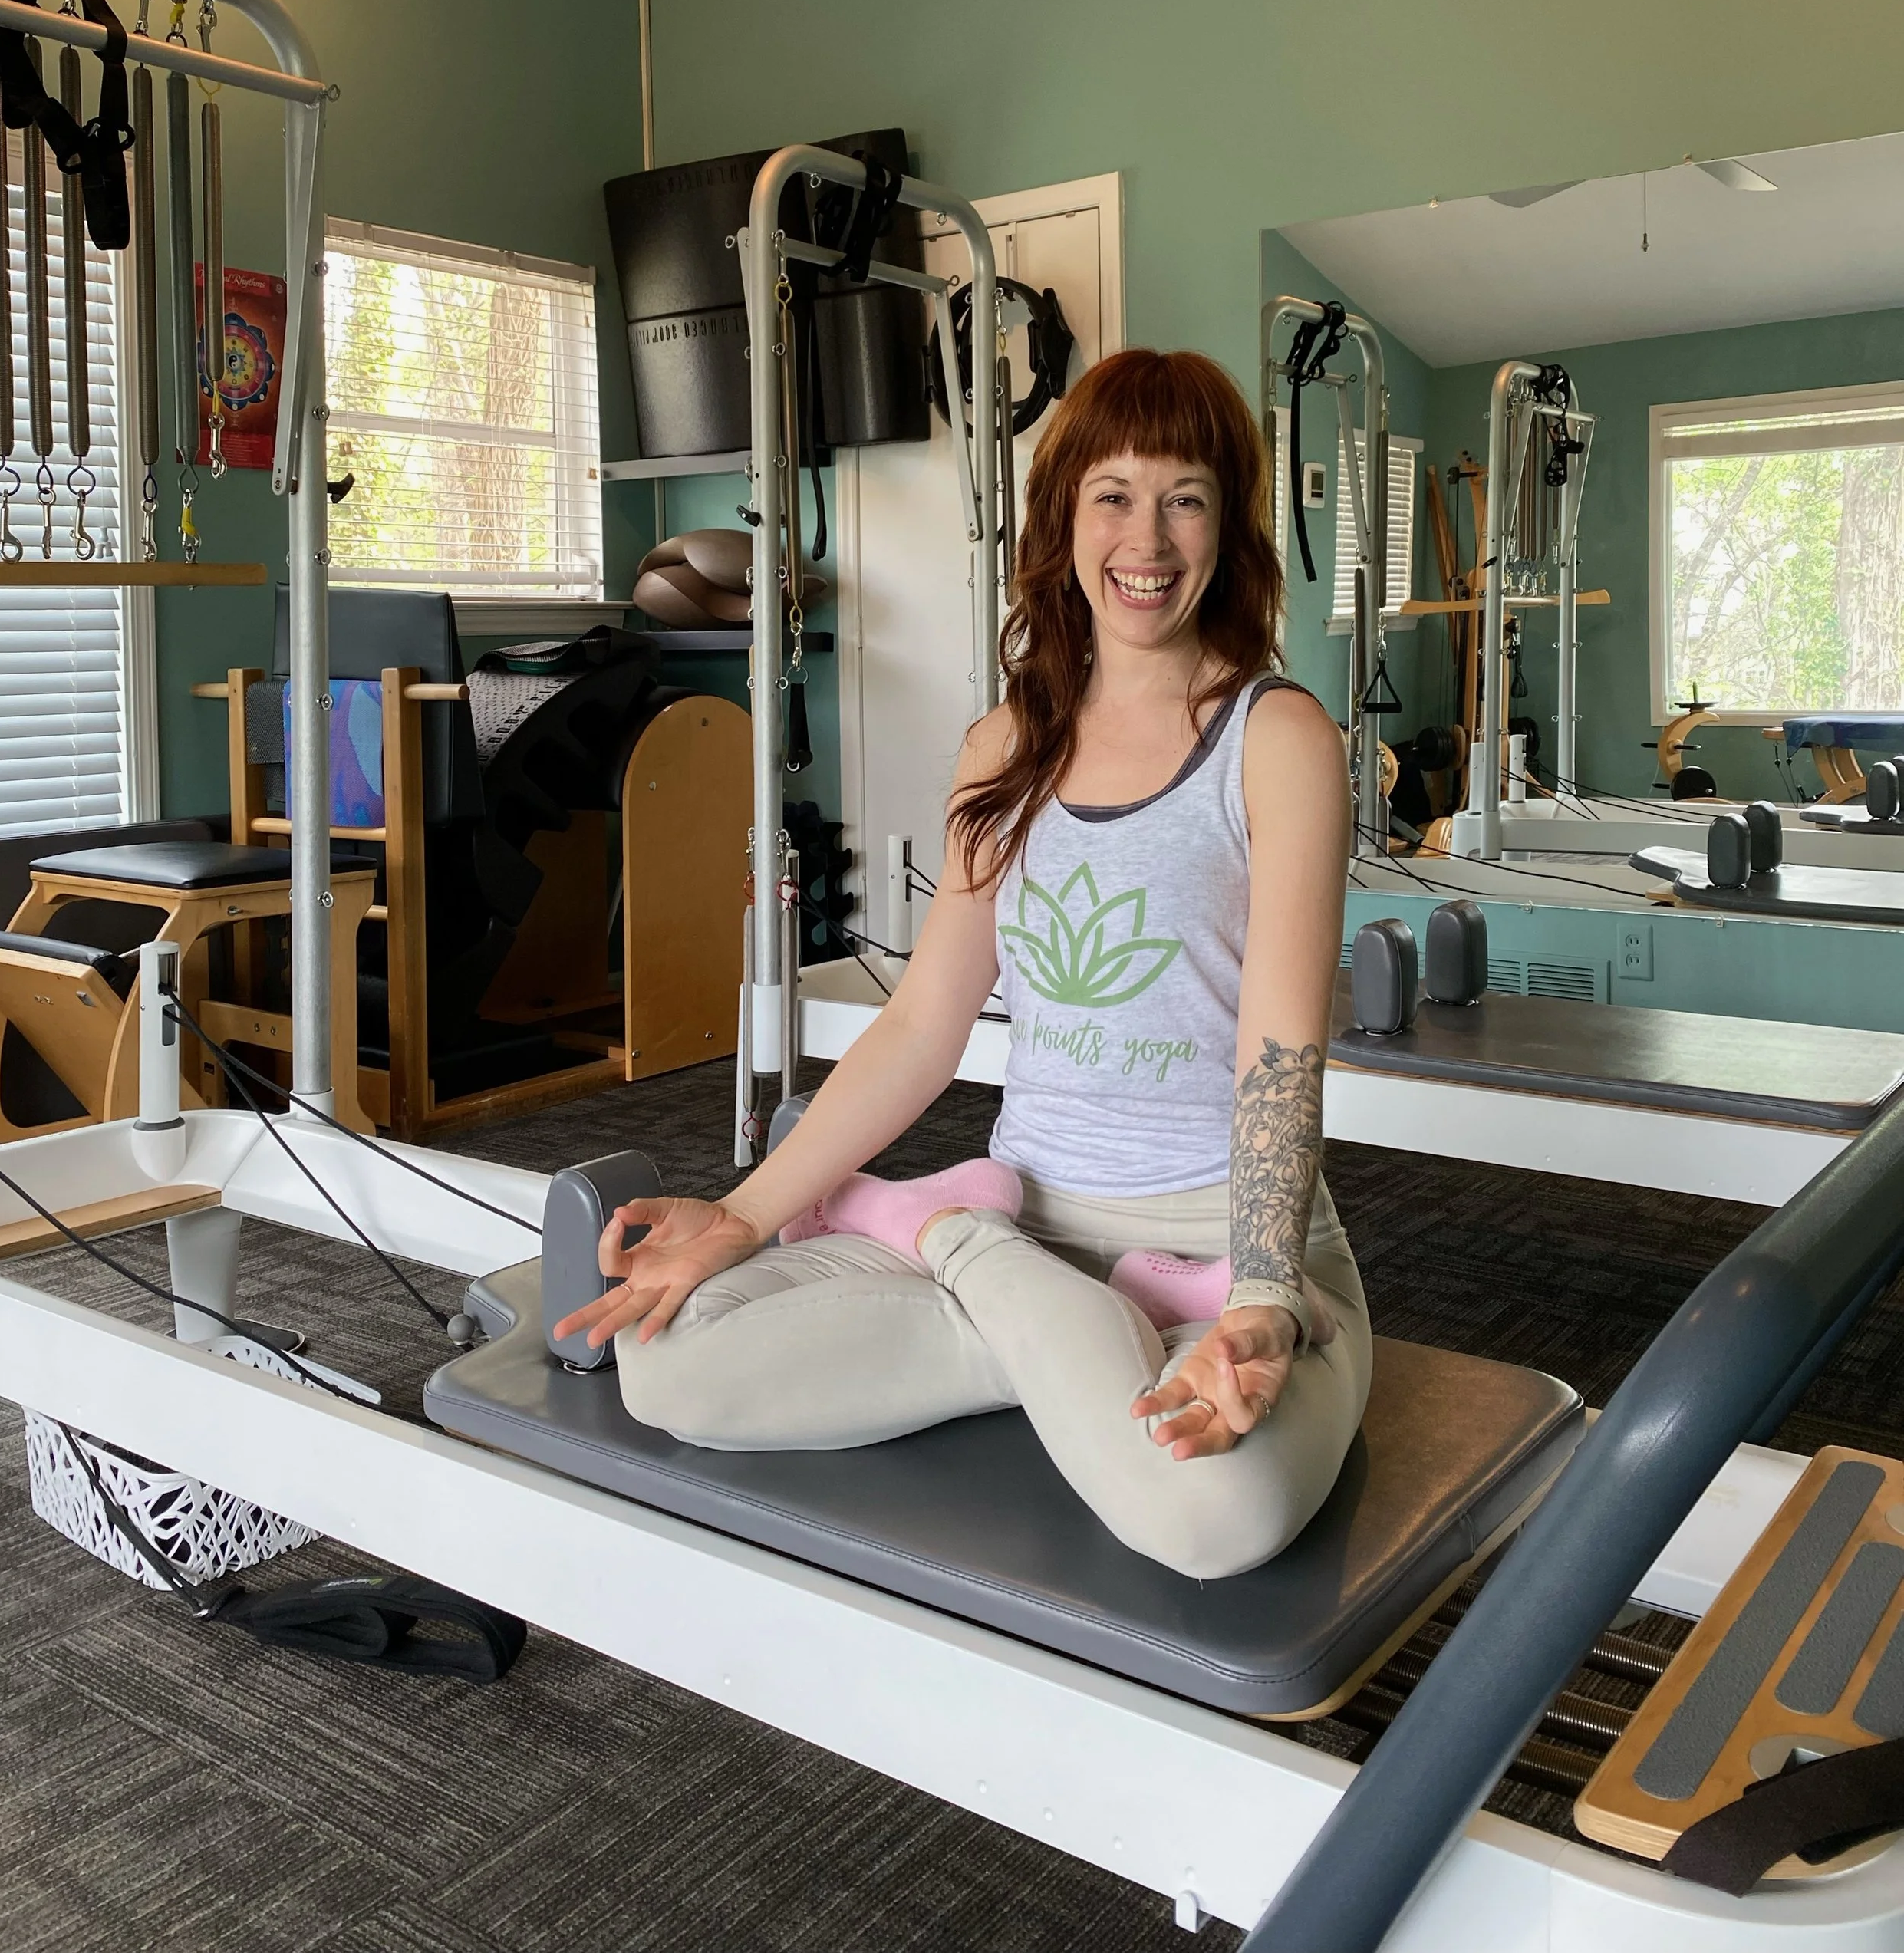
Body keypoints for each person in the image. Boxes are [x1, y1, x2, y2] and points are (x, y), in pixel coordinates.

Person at [556, 347, 1370, 1579]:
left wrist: (1260, 1301)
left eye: (1186, 496)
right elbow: (925, 1024)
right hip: (1032, 1214)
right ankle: (1007, 1273)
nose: (1146, 537)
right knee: (671, 1352)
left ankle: (983, 1262)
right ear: (1062, 518)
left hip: (1226, 1234)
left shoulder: (1280, 737)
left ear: (1227, 526)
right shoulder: (1005, 748)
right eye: (1114, 493)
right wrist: (740, 1213)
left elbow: (1280, 1052)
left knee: (1216, 1523)